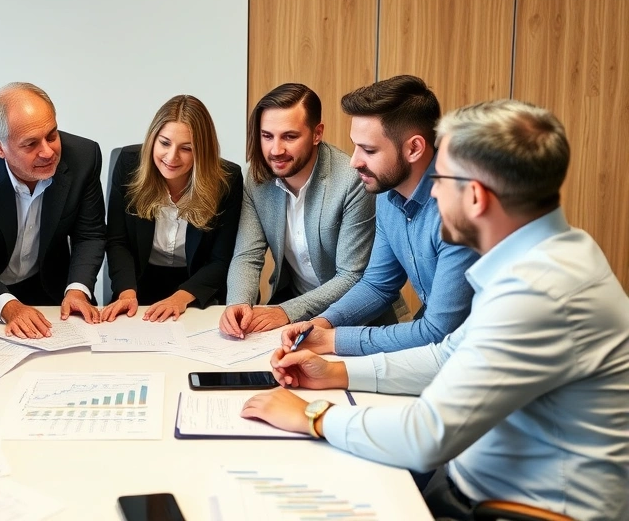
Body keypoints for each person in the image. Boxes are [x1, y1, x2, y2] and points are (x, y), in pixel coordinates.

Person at [241, 100, 629, 520]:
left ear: (475, 197)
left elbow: (425, 437)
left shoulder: (537, 293)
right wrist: (335, 372)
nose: (433, 192)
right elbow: (448, 356)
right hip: (476, 486)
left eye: (440, 178)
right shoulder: (548, 256)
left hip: (517, 511)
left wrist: (313, 417)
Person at [277, 75, 479, 355]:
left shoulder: (459, 210)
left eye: (369, 150)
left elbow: (438, 330)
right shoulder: (387, 194)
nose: (354, 161)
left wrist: (332, 340)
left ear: (414, 148)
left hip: (481, 356)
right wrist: (321, 323)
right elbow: (377, 285)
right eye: (355, 146)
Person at [218, 83, 376, 338]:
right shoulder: (256, 178)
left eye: (289, 137)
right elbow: (248, 255)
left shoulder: (351, 181)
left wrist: (287, 311)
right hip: (292, 310)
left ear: (317, 133)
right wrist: (238, 301)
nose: (275, 150)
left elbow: (351, 276)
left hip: (354, 319)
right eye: (267, 136)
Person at [0, 82, 106, 338]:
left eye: (51, 136)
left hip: (50, 288)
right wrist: (9, 307)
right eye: (30, 144)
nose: (48, 152)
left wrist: (77, 290)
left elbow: (90, 234)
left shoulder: (84, 157)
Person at [100, 95, 243, 322]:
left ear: (202, 151)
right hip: (138, 285)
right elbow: (118, 242)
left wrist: (179, 299)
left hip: (197, 291)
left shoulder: (227, 180)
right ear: (153, 139)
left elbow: (221, 259)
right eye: (164, 143)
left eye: (186, 148)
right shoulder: (128, 164)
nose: (172, 157)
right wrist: (126, 293)